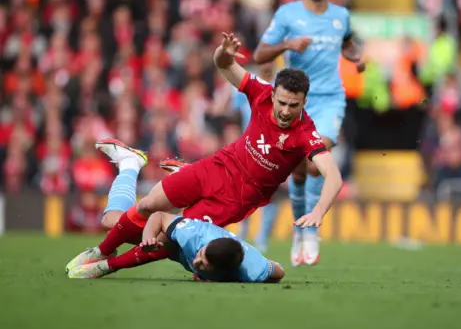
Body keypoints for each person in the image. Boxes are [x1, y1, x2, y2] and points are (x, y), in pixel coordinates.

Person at [65, 32, 343, 274]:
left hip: (236, 199)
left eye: (293, 106)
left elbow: (334, 176)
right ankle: (102, 249)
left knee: (158, 238)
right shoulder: (260, 93)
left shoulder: (306, 133)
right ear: (273, 95)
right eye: (282, 102)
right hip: (217, 166)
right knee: (147, 206)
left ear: (304, 102)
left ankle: (107, 256)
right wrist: (224, 52)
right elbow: (224, 64)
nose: (285, 111)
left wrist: (319, 210)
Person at [253, 0, 365, 266]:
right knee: (299, 172)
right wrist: (288, 43)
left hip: (330, 99)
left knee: (318, 161)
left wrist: (357, 59)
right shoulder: (288, 14)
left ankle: (312, 229)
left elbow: (346, 44)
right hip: (297, 101)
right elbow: (260, 53)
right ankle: (298, 229)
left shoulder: (341, 15)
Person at [67, 211, 285, 282]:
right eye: (200, 256)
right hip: (182, 226)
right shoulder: (193, 237)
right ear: (203, 247)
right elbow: (158, 216)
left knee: (167, 246)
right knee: (112, 221)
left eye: (203, 265)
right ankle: (104, 256)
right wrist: (147, 239)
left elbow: (279, 271)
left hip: (187, 238)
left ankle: (107, 259)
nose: (197, 262)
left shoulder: (252, 269)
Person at [233, 62, 280, 252]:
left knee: (270, 193)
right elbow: (234, 113)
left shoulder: (281, 85)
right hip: (249, 144)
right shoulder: (249, 83)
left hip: (273, 147)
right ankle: (243, 231)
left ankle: (262, 236)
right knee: (244, 190)